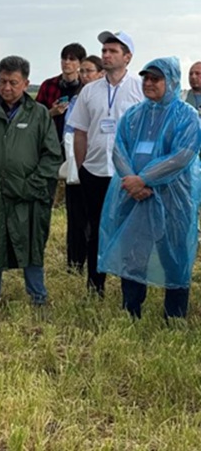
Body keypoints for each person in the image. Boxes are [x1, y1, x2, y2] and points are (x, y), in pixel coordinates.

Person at [98, 57, 201, 319]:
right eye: (146, 78)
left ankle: (174, 315)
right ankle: (131, 310)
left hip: (173, 199)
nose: (149, 83)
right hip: (135, 197)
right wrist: (132, 180)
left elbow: (181, 156)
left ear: (173, 82)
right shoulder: (134, 115)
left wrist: (143, 179)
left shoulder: (187, 116)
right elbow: (119, 149)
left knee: (174, 255)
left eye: (156, 78)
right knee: (134, 254)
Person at [0, 56, 62, 305]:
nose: (6, 88)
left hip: (29, 197)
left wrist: (33, 185)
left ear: (25, 83)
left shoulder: (38, 114)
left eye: (13, 82)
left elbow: (52, 155)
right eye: (3, 81)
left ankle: (38, 296)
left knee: (32, 245)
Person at [66, 31, 143, 297]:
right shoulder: (90, 91)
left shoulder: (139, 88)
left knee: (128, 233)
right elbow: (80, 131)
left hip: (127, 176)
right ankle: (95, 287)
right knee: (95, 230)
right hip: (95, 171)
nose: (106, 55)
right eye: (104, 50)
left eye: (113, 51)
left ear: (128, 57)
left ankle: (129, 292)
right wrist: (81, 167)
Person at [62, 55, 105, 273]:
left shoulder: (107, 97)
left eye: (89, 71)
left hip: (101, 168)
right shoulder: (78, 99)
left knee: (96, 222)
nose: (84, 76)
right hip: (78, 166)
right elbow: (71, 132)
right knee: (77, 218)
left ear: (101, 73)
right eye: (83, 71)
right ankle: (75, 264)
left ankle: (100, 264)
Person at [35, 43, 87, 146]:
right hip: (51, 143)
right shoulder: (48, 85)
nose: (67, 62)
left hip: (78, 143)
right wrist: (51, 113)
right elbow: (33, 117)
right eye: (64, 58)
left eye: (72, 59)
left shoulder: (86, 88)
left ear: (80, 63)